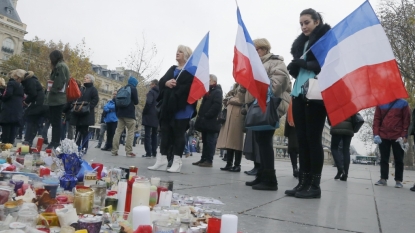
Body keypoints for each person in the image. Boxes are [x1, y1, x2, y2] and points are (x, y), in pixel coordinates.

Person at [285, 9, 331, 198]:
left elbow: (326, 64)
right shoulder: (302, 44)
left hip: (316, 95)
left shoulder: (326, 40)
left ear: (317, 21)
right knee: (301, 140)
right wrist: (295, 68)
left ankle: (315, 186)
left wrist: (302, 64)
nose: (304, 26)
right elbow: (302, 69)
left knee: (313, 140)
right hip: (298, 93)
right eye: (301, 23)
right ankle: (303, 183)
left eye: (307, 22)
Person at [244, 38, 290, 191]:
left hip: (269, 106)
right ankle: (262, 175)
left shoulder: (276, 62)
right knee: (260, 142)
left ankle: (270, 180)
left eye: (257, 50)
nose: (255, 53)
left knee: (265, 142)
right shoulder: (256, 65)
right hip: (257, 106)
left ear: (264, 49)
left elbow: (278, 82)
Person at [148, 45, 197, 173]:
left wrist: (176, 86)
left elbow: (190, 88)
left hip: (183, 106)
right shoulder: (172, 68)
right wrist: (166, 83)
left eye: (180, 52)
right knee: (165, 132)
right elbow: (162, 81)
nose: (177, 53)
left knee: (178, 133)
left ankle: (177, 161)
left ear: (186, 55)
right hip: (168, 106)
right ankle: (162, 160)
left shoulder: (191, 71)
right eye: (177, 51)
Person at [373, 99, 410, 188]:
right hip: (383, 135)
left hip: (398, 136)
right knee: (384, 158)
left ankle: (398, 180)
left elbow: (406, 120)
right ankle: (383, 178)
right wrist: (376, 134)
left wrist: (404, 135)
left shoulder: (403, 103)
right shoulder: (380, 103)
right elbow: (377, 119)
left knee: (399, 159)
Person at [194, 75, 223, 167]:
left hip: (211, 122)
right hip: (205, 122)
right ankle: (203, 159)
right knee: (205, 141)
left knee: (210, 142)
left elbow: (217, 106)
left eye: (209, 80)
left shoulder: (217, 92)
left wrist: (207, 115)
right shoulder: (208, 92)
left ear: (214, 82)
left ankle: (209, 160)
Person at [216, 83, 245, 172]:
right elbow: (227, 97)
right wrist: (227, 100)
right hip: (229, 117)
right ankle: (228, 163)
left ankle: (237, 165)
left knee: (236, 142)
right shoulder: (235, 86)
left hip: (238, 116)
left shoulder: (244, 86)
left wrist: (230, 100)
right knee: (229, 141)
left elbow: (242, 100)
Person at [45, 50, 70, 149]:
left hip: (57, 98)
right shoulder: (61, 66)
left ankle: (55, 142)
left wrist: (52, 89)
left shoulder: (60, 66)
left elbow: (60, 81)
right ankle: (55, 141)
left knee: (55, 121)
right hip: (57, 98)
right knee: (55, 120)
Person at [14, 70, 45, 145]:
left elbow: (33, 93)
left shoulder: (29, 81)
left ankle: (28, 140)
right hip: (39, 102)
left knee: (30, 120)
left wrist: (26, 101)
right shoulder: (31, 80)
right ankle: (29, 140)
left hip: (37, 103)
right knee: (33, 121)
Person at [70, 74, 99, 153]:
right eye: (85, 77)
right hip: (79, 112)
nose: (84, 79)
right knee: (77, 130)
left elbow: (95, 99)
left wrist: (89, 107)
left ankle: (84, 147)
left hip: (86, 113)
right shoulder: (81, 88)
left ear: (91, 80)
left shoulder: (93, 89)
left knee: (85, 131)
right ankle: (76, 146)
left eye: (87, 78)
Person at [111, 76, 139, 157]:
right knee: (130, 132)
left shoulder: (121, 89)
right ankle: (129, 151)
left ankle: (114, 150)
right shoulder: (133, 89)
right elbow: (136, 102)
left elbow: (116, 102)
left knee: (118, 132)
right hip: (129, 114)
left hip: (120, 114)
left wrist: (117, 113)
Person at [0, 70, 24, 144]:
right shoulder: (21, 85)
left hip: (8, 110)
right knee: (13, 130)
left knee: (6, 131)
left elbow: (8, 94)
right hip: (17, 110)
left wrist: (1, 97)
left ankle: (4, 148)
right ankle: (10, 146)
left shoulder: (11, 83)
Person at [142, 79, 160, 158]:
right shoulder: (160, 93)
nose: (150, 86)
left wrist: (144, 112)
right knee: (154, 134)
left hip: (149, 115)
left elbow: (149, 102)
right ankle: (154, 152)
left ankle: (148, 152)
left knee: (147, 135)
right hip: (157, 115)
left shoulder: (151, 92)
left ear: (153, 84)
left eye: (150, 84)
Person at [284, 90, 299, 178]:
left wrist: (286, 133)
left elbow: (288, 117)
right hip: (299, 128)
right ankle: (299, 169)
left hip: (292, 130)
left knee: (293, 150)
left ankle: (295, 167)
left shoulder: (291, 102)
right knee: (300, 150)